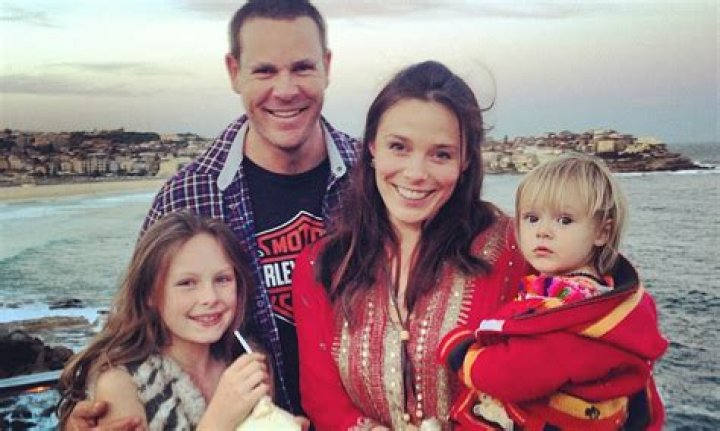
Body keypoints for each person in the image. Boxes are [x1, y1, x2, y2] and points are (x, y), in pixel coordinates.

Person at [65, 1, 357, 428]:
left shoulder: (374, 180)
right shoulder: (187, 196)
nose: (285, 89)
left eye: (302, 68)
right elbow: (131, 328)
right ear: (234, 72)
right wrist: (103, 401)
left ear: (327, 67)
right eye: (264, 71)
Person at [292, 60, 527, 430]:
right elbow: (324, 401)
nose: (416, 173)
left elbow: (545, 379)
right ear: (372, 147)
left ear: (466, 160)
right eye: (399, 147)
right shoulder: (321, 265)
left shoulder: (516, 253)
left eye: (441, 154)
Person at [438, 154, 668, 430]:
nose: (543, 231)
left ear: (602, 232)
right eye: (532, 218)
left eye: (565, 220)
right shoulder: (610, 298)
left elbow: (512, 375)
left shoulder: (572, 312)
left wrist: (458, 349)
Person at [57, 211, 272, 430]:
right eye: (187, 283)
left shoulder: (247, 362)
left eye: (223, 279)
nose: (210, 297)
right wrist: (220, 419)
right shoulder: (124, 384)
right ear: (149, 294)